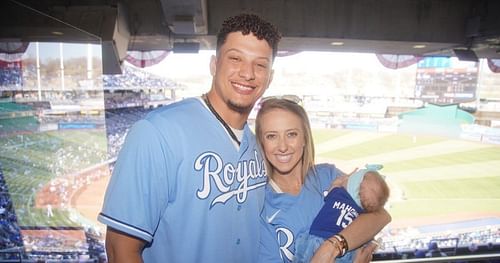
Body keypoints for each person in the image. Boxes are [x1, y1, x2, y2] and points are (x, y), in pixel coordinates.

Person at [97, 13, 282, 263]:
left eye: (260, 65)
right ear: (214, 65)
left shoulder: (256, 147)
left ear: (269, 77)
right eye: (235, 58)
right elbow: (120, 249)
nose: (247, 73)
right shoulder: (157, 132)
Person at [256, 98, 391, 263]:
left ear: (305, 138)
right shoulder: (261, 204)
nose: (283, 146)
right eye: (271, 136)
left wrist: (332, 247)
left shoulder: (328, 176)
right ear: (261, 143)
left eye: (291, 134)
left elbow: (381, 216)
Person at [293, 165, 390, 263]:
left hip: (317, 238)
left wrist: (337, 183)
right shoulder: (362, 210)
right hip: (346, 253)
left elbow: (332, 190)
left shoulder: (339, 194)